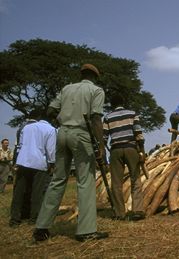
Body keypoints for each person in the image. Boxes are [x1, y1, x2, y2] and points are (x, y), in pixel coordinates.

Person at [33, 64, 108, 242]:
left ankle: (41, 228)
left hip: (62, 133)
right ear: (95, 77)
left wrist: (62, 120)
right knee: (85, 181)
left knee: (58, 180)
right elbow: (96, 118)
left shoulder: (66, 89)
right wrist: (101, 145)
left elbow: (50, 110)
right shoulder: (96, 91)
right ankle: (86, 231)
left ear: (81, 75)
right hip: (81, 135)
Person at [9, 110, 56, 227]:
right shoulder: (51, 130)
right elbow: (51, 150)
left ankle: (15, 219)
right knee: (37, 192)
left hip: (23, 161)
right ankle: (33, 218)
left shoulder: (26, 127)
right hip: (39, 163)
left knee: (19, 192)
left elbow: (20, 145)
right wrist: (52, 164)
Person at [103, 93, 145, 221]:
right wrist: (141, 151)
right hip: (131, 148)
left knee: (116, 183)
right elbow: (138, 133)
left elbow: (104, 138)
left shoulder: (108, 117)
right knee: (135, 179)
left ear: (112, 105)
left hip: (115, 150)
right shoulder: (132, 114)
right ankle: (137, 210)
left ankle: (120, 213)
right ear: (123, 102)